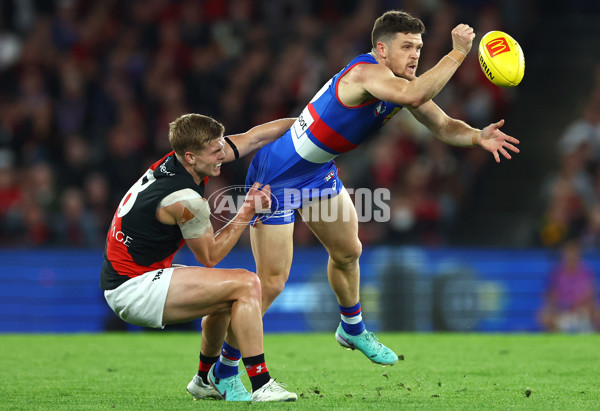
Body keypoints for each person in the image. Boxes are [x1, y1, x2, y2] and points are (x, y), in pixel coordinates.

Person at [228, 10, 520, 365]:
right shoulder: (367, 73)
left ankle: (352, 328)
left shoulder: (399, 85)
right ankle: (220, 368)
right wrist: (457, 52)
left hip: (317, 171)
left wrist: (476, 136)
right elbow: (414, 96)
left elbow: (443, 125)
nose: (416, 54)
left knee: (349, 251)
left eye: (419, 47)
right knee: (272, 282)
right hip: (278, 177)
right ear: (381, 49)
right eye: (407, 47)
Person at [100, 113, 298, 402]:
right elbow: (210, 255)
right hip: (133, 287)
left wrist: (311, 118)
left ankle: (204, 380)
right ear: (191, 157)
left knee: (225, 293)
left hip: (134, 273)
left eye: (221, 147)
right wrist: (246, 211)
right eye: (215, 152)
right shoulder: (185, 200)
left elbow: (254, 137)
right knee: (246, 283)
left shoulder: (179, 160)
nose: (223, 156)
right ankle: (261, 384)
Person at [539, 238, 600, 333]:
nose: (571, 255)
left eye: (574, 252)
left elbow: (591, 293)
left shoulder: (586, 271)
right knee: (544, 315)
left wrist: (579, 305)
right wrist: (559, 305)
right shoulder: (557, 272)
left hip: (581, 309)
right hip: (562, 309)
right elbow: (551, 295)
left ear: (578, 254)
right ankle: (559, 334)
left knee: (596, 313)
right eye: (568, 252)